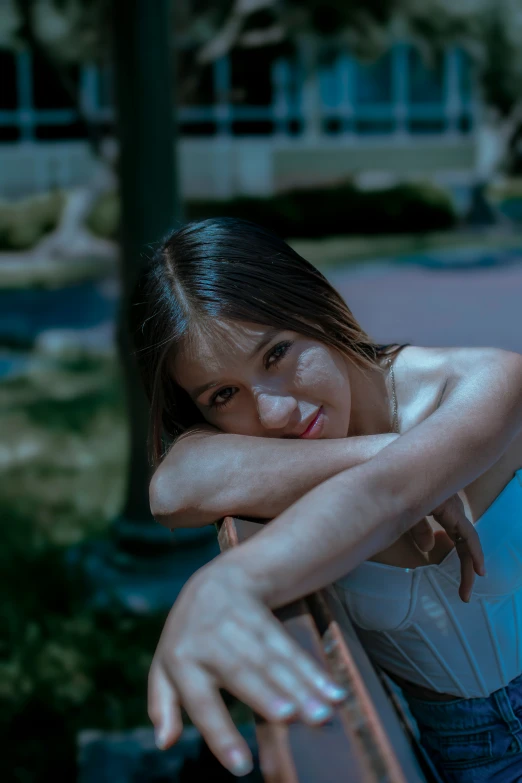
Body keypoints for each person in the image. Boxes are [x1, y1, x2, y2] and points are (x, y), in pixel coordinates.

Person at [134, 217, 522, 782]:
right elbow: (171, 487)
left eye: (277, 353)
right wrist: (385, 449)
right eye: (223, 394)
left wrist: (230, 581)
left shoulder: (486, 384)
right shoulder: (277, 456)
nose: (273, 413)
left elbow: (389, 496)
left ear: (317, 304)